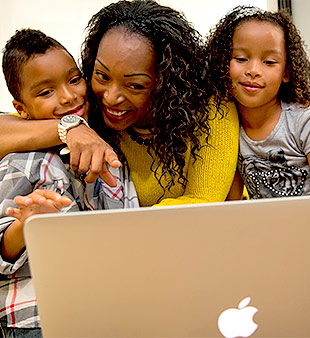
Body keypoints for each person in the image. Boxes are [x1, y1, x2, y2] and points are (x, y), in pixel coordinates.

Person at [0, 0, 239, 206]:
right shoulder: (86, 101)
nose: (111, 97)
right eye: (102, 75)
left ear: (167, 82)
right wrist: (71, 127)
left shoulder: (210, 109)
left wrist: (113, 230)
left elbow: (202, 202)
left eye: (135, 85)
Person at [0, 28, 139, 338]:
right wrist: (26, 225)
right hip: (36, 315)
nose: (68, 96)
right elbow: (2, 253)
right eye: (46, 92)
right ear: (20, 109)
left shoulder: (112, 157)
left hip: (104, 308)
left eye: (74, 80)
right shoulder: (20, 161)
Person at [206, 5, 310, 199]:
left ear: (286, 72)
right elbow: (231, 207)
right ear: (222, 63)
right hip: (259, 227)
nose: (253, 70)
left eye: (269, 62)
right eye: (241, 58)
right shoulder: (225, 126)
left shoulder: (303, 121)